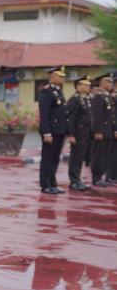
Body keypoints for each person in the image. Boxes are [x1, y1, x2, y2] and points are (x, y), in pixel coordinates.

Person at [38, 66, 68, 194]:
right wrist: (47, 132)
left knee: (55, 158)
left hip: (59, 130)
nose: (62, 78)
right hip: (51, 131)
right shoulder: (47, 92)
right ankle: (45, 184)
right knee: (48, 157)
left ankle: (52, 183)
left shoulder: (59, 91)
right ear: (52, 77)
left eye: (63, 76)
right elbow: (44, 114)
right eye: (60, 76)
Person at [66, 75, 92, 191]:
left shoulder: (85, 99)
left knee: (80, 157)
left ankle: (78, 179)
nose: (88, 87)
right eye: (85, 85)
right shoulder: (75, 99)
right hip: (77, 133)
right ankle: (74, 181)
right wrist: (70, 134)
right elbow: (71, 118)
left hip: (85, 133)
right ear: (78, 86)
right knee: (75, 157)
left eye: (88, 85)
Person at [90, 74, 114, 187]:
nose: (111, 84)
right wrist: (98, 131)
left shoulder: (107, 96)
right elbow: (97, 115)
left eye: (111, 82)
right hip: (102, 131)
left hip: (108, 130)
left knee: (105, 155)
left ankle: (103, 176)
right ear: (102, 83)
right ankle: (96, 178)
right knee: (98, 155)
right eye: (108, 81)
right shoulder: (98, 96)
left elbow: (111, 116)